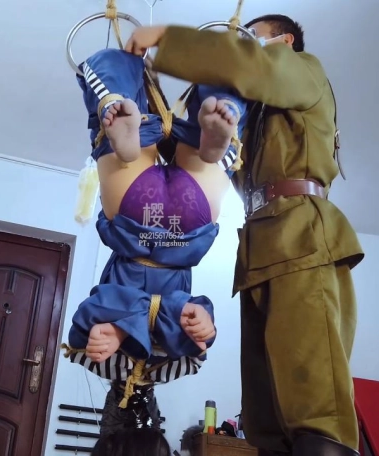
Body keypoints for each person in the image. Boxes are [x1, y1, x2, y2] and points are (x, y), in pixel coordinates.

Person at [125, 14, 365, 456]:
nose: (242, 45)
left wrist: (167, 39)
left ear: (285, 42)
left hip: (302, 236)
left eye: (252, 38)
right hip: (260, 245)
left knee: (315, 409)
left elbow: (251, 65)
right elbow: (210, 157)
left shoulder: (304, 69)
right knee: (264, 414)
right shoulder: (254, 112)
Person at [63, 42, 249, 389]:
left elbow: (195, 348)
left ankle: (216, 127)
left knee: (219, 126)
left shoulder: (167, 358)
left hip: (187, 224)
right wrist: (199, 324)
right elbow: (92, 315)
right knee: (111, 82)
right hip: (134, 214)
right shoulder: (106, 349)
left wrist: (199, 325)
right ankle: (128, 114)